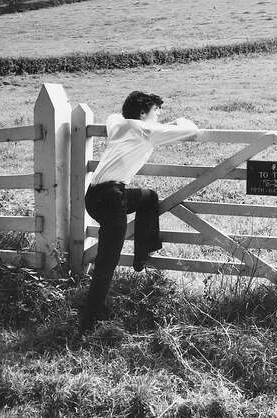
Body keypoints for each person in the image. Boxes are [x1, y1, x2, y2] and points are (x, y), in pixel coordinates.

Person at [79, 90, 200, 332]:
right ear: (144, 113)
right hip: (112, 198)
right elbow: (190, 128)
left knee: (149, 198)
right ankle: (91, 319)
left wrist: (145, 119)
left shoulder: (119, 126)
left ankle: (141, 254)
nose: (159, 115)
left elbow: (114, 116)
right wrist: (173, 123)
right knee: (107, 261)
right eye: (156, 111)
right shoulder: (146, 129)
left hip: (94, 196)